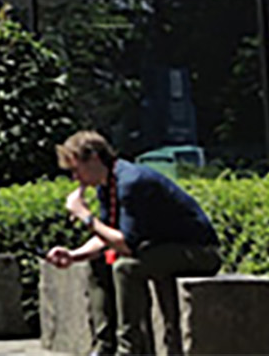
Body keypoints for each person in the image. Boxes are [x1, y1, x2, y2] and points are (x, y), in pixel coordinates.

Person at [43, 130, 221, 356]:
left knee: (126, 268)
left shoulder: (132, 182)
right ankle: (104, 346)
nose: (75, 178)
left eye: (76, 169)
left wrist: (86, 216)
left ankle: (131, 350)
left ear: (95, 159)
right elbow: (107, 236)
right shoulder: (107, 185)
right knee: (98, 263)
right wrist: (73, 255)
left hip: (199, 252)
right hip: (160, 248)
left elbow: (126, 244)